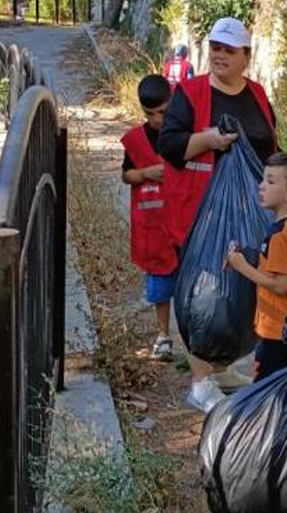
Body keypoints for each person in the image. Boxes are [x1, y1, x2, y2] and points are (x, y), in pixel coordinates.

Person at [159, 16, 278, 413]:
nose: (220, 55)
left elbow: (269, 144)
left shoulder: (258, 94)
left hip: (249, 212)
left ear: (247, 55)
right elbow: (170, 145)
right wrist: (208, 139)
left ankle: (222, 368)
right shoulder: (191, 93)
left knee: (239, 292)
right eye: (215, 48)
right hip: (201, 214)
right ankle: (199, 380)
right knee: (202, 294)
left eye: (230, 49)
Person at [225, 152, 287, 381]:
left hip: (275, 330)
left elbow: (279, 284)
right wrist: (249, 255)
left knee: (267, 393)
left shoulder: (280, 235)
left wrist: (241, 266)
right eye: (263, 179)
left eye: (271, 181)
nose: (261, 186)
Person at [121, 75, 176, 360]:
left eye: (164, 112)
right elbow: (126, 175)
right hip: (154, 228)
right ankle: (163, 335)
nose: (158, 120)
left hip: (184, 222)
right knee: (160, 283)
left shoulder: (185, 132)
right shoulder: (136, 140)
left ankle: (195, 339)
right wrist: (145, 174)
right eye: (150, 114)